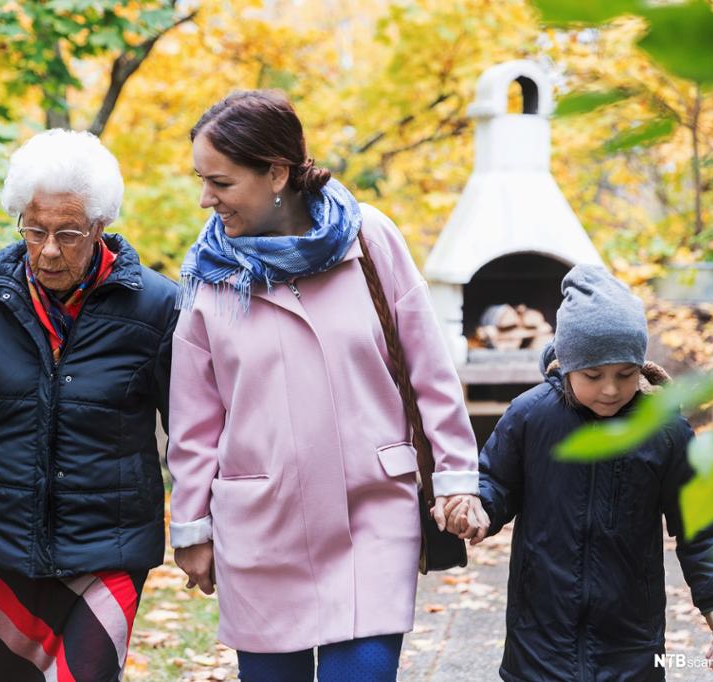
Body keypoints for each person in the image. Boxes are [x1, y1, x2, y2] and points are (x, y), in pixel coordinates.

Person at [166, 89, 489, 682]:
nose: (205, 199)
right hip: (261, 524)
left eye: (221, 182)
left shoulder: (370, 241)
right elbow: (195, 420)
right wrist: (192, 526)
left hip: (373, 513)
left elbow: (430, 372)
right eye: (201, 180)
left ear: (278, 173)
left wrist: (456, 479)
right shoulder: (209, 277)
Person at [0, 129, 178, 680]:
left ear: (100, 227)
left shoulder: (155, 305)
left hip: (107, 546)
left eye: (68, 233)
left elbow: (190, 429)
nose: (48, 249)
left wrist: (199, 525)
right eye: (34, 229)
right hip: (0, 543)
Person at [452, 264, 713, 680]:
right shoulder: (530, 416)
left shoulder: (663, 430)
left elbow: (698, 520)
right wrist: (477, 507)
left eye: (625, 374)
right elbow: (495, 481)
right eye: (593, 375)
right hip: (539, 635)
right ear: (566, 363)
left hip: (631, 638)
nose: (610, 388)